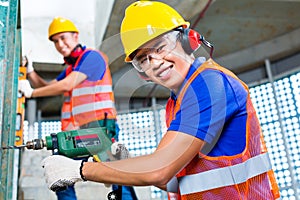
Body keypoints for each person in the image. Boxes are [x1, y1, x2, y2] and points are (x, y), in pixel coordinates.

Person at [41, 2, 280, 200]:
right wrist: (126, 165)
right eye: (143, 59)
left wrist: (80, 170)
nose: (154, 62)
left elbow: (159, 171)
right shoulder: (177, 102)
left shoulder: (210, 85)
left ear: (188, 41)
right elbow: (177, 182)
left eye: (160, 47)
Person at [19, 17, 137, 200]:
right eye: (55, 41)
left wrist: (31, 93)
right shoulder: (71, 68)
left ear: (76, 36)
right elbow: (48, 86)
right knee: (58, 172)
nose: (60, 44)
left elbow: (66, 85)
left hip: (99, 128)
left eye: (63, 38)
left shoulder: (92, 57)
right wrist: (31, 72)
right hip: (76, 131)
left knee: (116, 175)